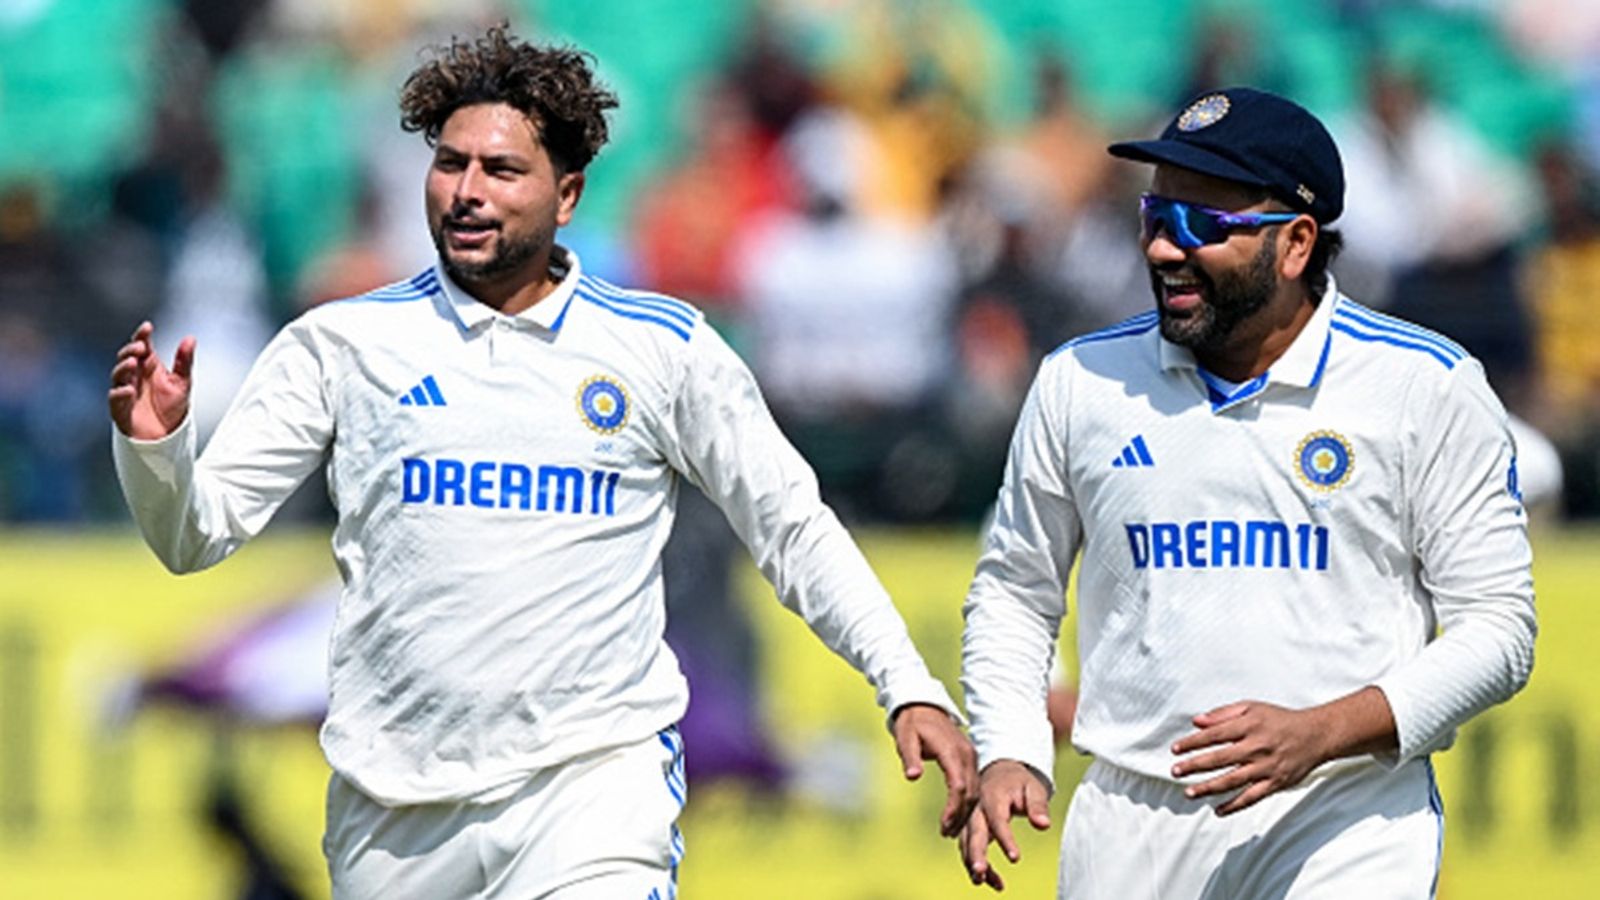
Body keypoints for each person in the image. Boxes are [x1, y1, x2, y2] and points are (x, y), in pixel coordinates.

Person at [108, 25, 976, 899]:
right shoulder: (343, 343)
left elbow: (794, 529)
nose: (467, 192)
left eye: (501, 170)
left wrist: (906, 683)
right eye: (450, 165)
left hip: (591, 800)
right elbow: (193, 535)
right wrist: (156, 448)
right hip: (395, 818)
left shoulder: (662, 349)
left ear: (567, 195)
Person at [957, 86, 1537, 898]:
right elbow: (1016, 592)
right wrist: (1011, 746)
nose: (1166, 249)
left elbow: (1500, 630)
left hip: (1345, 811)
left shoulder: (1424, 385)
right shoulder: (1080, 381)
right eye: (1156, 218)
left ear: (1296, 243)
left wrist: (1321, 733)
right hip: (1131, 818)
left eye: (1202, 225)